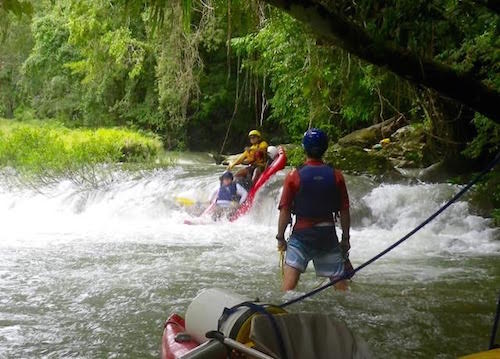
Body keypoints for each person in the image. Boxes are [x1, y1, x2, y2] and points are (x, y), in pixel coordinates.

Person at [276, 128, 351, 291]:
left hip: (302, 235)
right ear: (325, 148)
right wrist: (345, 239)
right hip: (327, 235)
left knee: (288, 288)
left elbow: (285, 210)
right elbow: (344, 210)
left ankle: (283, 310)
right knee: (341, 286)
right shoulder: (337, 175)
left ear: (304, 148)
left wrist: (280, 237)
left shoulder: (293, 176)